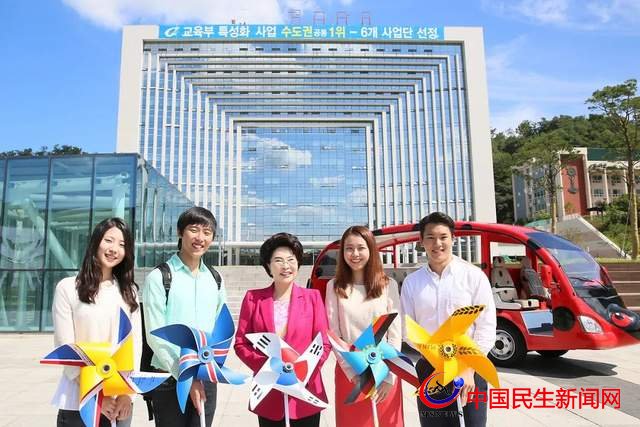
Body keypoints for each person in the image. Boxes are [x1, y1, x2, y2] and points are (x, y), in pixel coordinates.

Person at [400, 212, 496, 427]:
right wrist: (438, 359)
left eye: (443, 237)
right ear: (421, 241)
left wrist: (467, 368)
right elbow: (408, 329)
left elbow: (486, 327)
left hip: (470, 368)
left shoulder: (474, 276)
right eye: (430, 237)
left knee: (472, 424)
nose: (437, 244)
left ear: (453, 238)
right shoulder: (412, 282)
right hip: (429, 368)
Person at [235, 232, 331, 427]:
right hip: (269, 392)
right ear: (268, 265)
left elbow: (324, 344)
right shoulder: (253, 299)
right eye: (278, 260)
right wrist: (269, 367)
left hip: (305, 392)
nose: (286, 266)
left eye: (291, 260)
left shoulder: (312, 297)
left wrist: (303, 371)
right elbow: (241, 343)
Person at [51, 217, 140, 427]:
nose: (114, 249)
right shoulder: (68, 288)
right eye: (108, 240)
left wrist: (127, 394)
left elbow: (135, 345)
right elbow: (66, 346)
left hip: (119, 402)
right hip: (80, 399)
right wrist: (97, 393)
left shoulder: (129, 292)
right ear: (95, 243)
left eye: (122, 244)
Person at [143, 207, 227, 427]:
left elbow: (222, 327)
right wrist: (186, 374)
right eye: (194, 230)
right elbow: (155, 335)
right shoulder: (159, 277)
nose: (200, 238)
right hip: (169, 376)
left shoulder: (216, 279)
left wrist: (210, 367)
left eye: (207, 232)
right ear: (180, 232)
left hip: (206, 375)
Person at [325, 225, 404, 427]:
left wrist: (389, 376)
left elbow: (395, 333)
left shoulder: (388, 285)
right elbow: (334, 334)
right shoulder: (334, 286)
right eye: (349, 248)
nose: (355, 254)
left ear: (371, 250)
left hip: (385, 369)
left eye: (361, 247)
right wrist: (353, 374)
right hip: (351, 371)